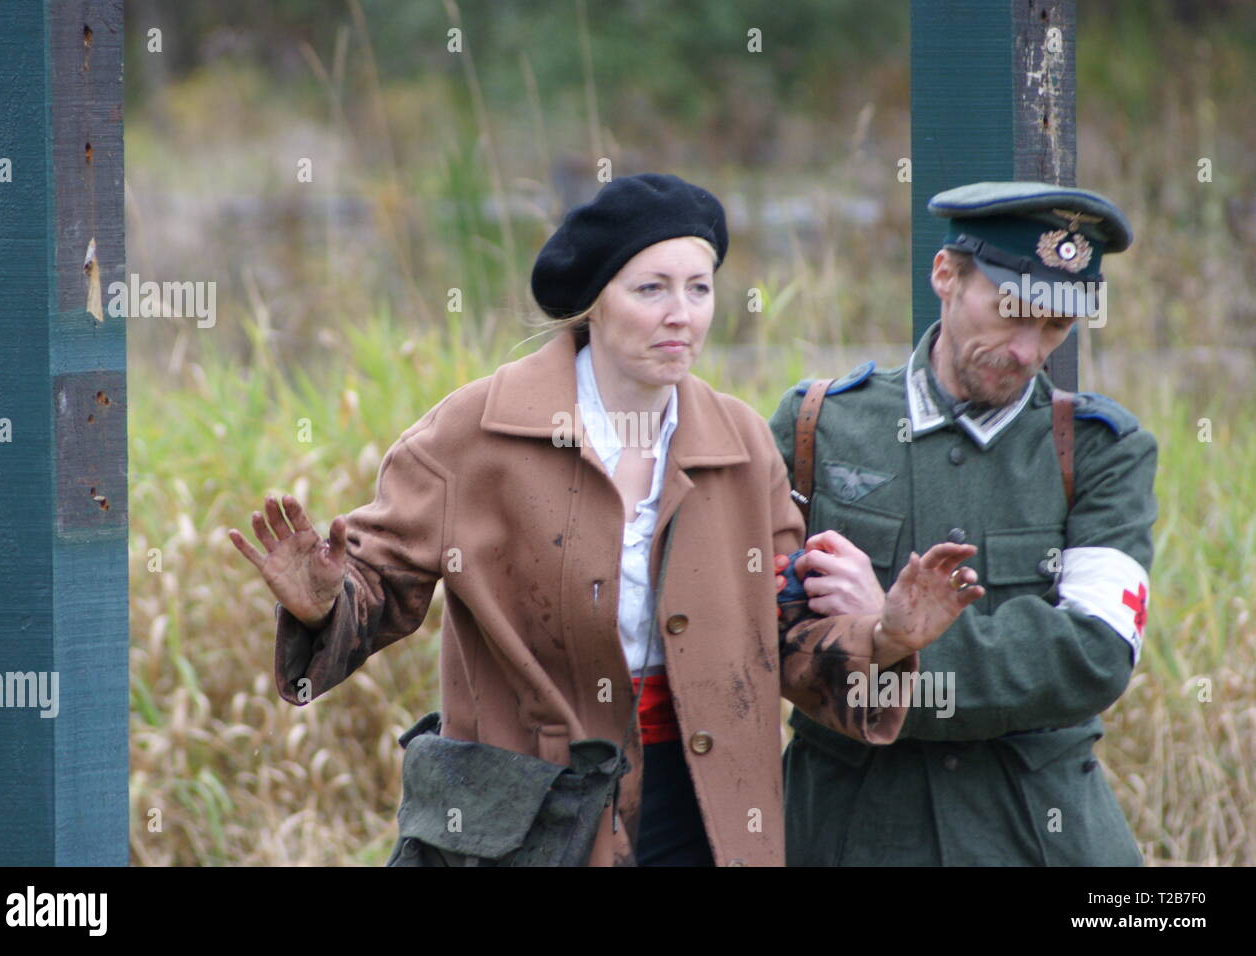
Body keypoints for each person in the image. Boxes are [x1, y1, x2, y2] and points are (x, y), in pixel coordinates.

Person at [229, 172, 983, 867]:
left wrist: (885, 638)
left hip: (711, 807)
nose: (680, 315)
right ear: (595, 299)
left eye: (698, 288)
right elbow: (381, 584)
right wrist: (327, 602)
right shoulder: (475, 433)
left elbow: (788, 635)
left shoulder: (743, 444)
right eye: (651, 288)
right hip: (529, 818)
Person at [770, 181, 1157, 866]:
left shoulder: (1103, 449)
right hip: (845, 834)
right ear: (945, 275)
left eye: (1056, 326)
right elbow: (767, 634)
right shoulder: (816, 428)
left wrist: (891, 647)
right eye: (1012, 312)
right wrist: (881, 634)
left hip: (1036, 836)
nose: (1027, 350)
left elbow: (1094, 655)